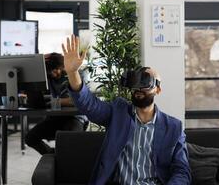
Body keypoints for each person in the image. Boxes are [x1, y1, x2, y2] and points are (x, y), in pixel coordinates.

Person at [61, 35, 191, 185]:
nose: (138, 88)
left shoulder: (174, 127)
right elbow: (88, 105)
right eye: (136, 82)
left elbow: (182, 171)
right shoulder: (118, 112)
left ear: (158, 90)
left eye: (145, 81)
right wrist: (72, 73)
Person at [25, 52, 88, 155]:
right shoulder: (51, 78)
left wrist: (56, 101)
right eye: (51, 72)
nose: (54, 74)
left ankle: (62, 158)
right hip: (56, 117)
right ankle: (53, 155)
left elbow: (77, 100)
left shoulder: (77, 75)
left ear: (63, 65)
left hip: (75, 117)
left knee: (68, 142)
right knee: (30, 138)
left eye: (56, 70)